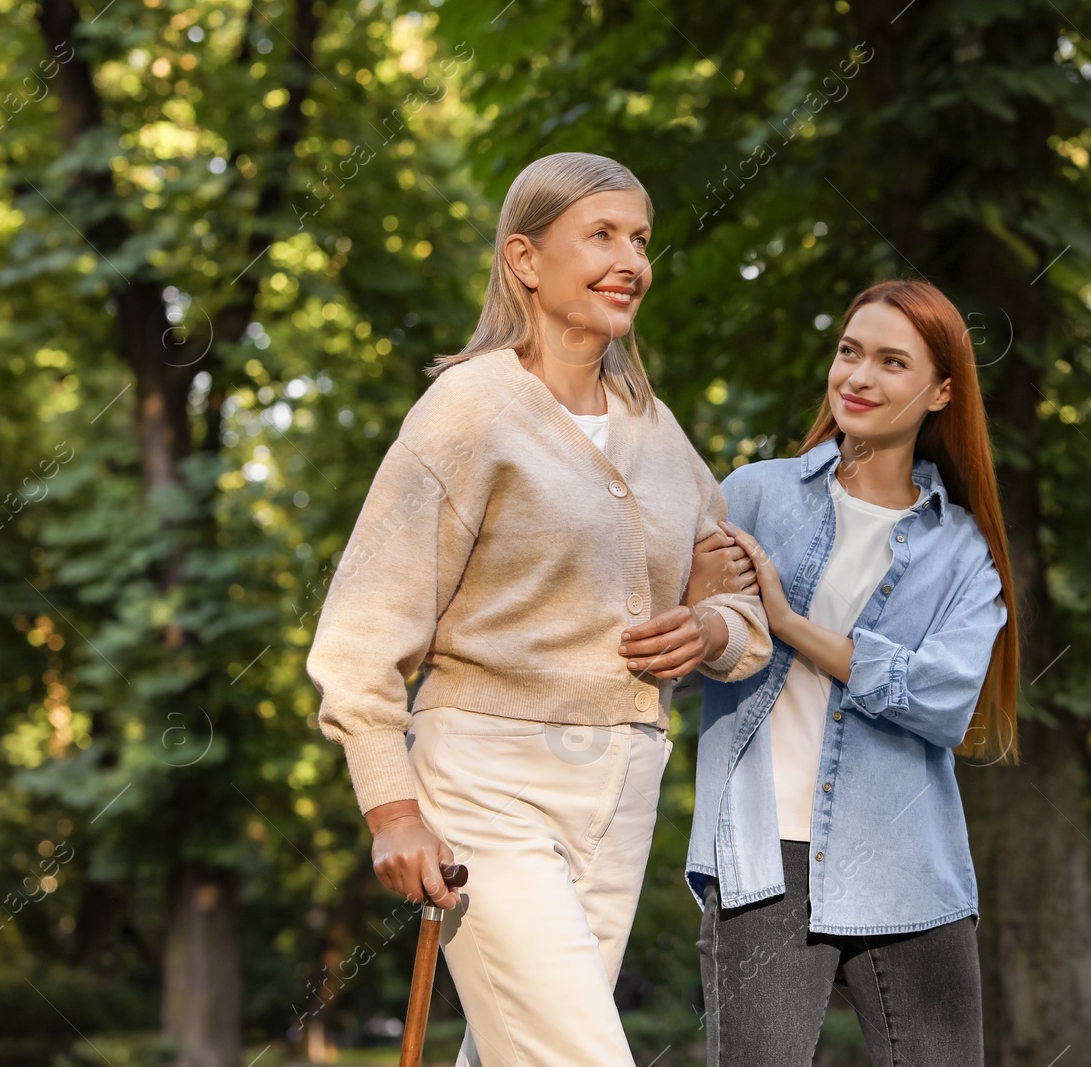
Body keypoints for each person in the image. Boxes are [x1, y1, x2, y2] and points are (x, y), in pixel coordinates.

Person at [306, 151, 771, 1067]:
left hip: (623, 793)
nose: (631, 258)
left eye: (640, 238)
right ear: (524, 258)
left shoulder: (657, 431)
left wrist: (709, 627)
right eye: (600, 234)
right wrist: (391, 807)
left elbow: (745, 612)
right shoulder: (468, 411)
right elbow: (359, 632)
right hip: (487, 783)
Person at [682, 278, 1020, 1067]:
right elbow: (682, 656)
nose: (858, 377)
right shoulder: (753, 495)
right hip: (764, 858)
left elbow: (941, 699)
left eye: (891, 362)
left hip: (910, 867)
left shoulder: (963, 547)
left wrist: (792, 623)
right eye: (849, 352)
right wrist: (700, 613)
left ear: (941, 391)